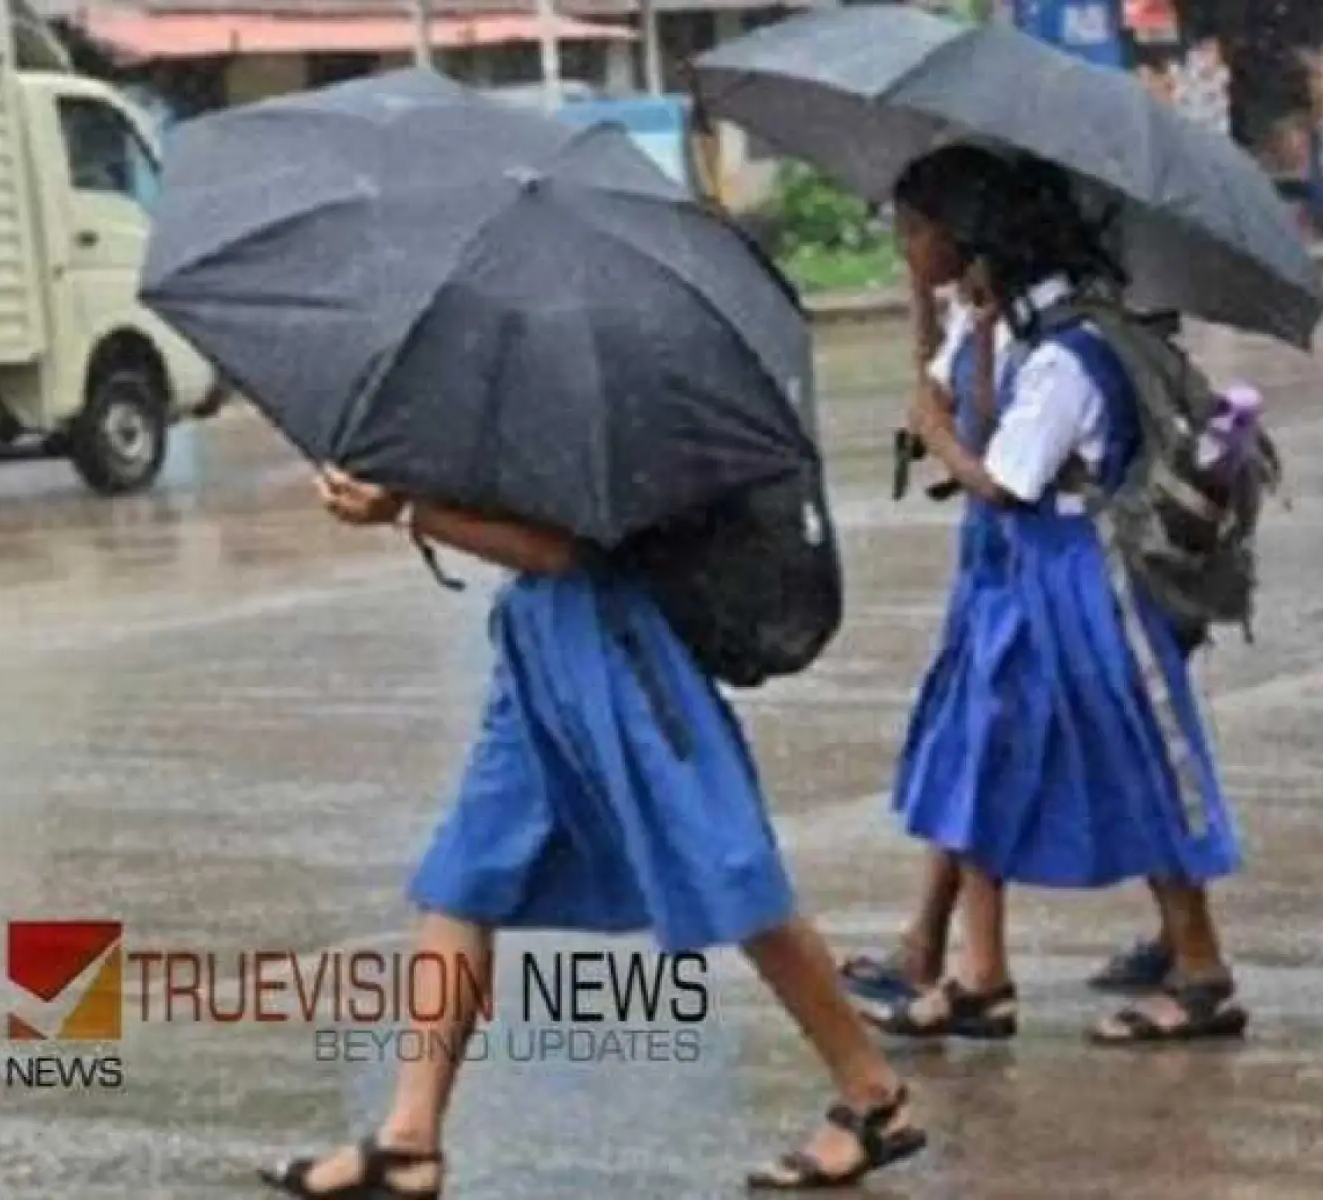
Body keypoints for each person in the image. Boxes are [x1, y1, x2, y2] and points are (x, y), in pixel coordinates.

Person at [261, 475, 926, 1195]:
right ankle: (409, 1137)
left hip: (622, 649)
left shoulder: (604, 384)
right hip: (540, 643)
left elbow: (556, 547)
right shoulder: (532, 379)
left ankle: (872, 1096)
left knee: (730, 869)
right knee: (463, 875)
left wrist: (409, 513)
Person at [860, 145, 1251, 1047]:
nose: (906, 248)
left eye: (917, 233)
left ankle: (1200, 970)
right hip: (1034, 575)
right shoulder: (1023, 332)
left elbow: (1007, 480)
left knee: (1139, 765)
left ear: (971, 238)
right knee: (982, 754)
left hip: (1082, 582)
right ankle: (979, 973)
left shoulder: (1070, 354)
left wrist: (939, 438)